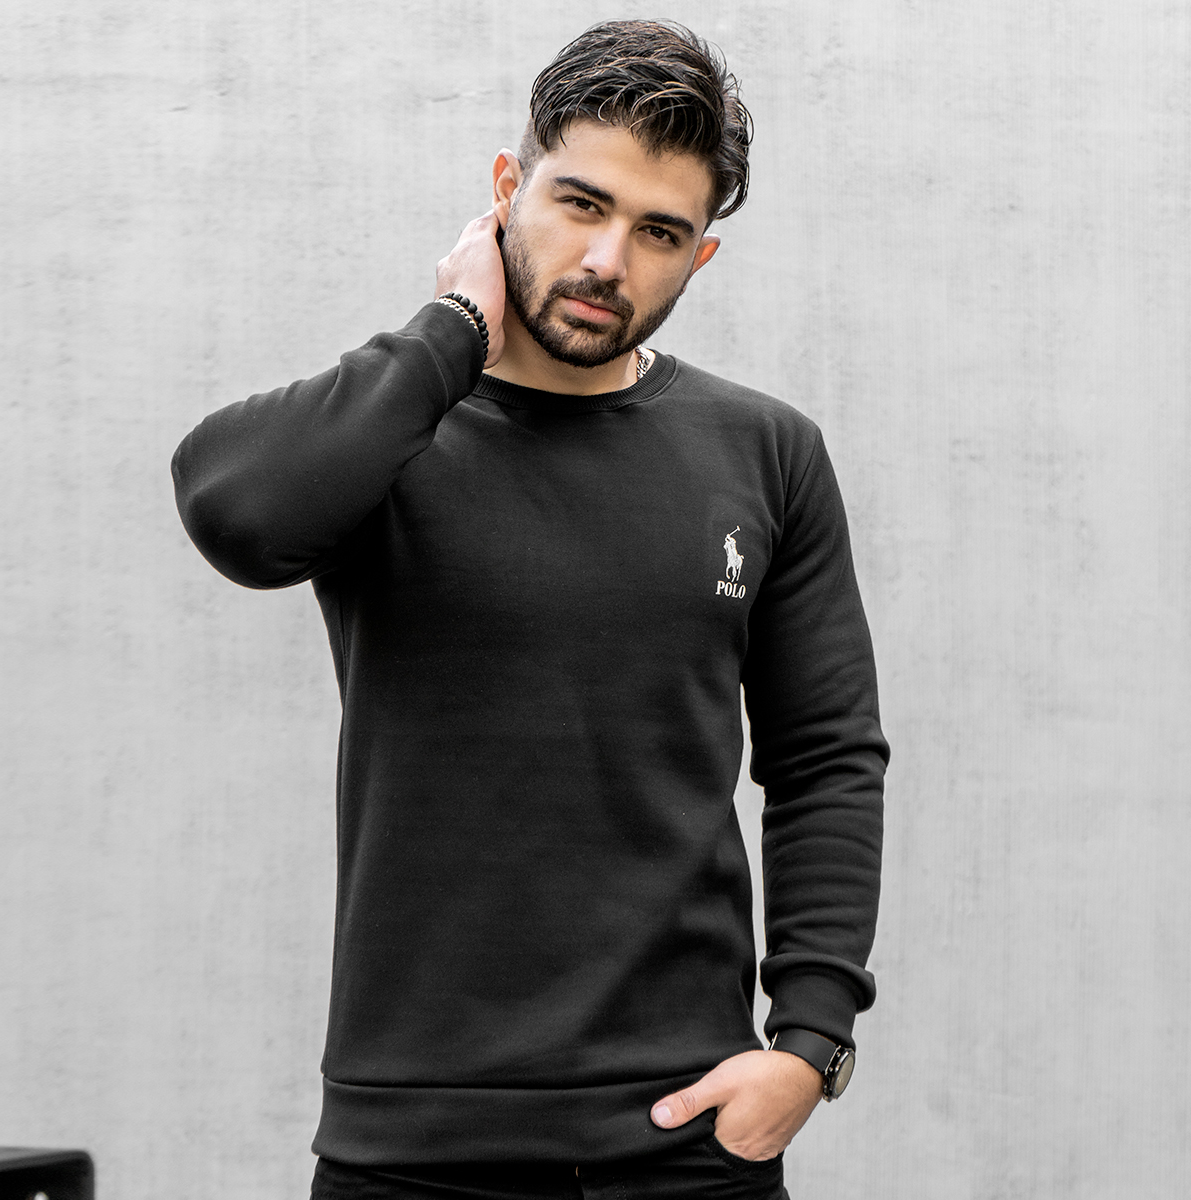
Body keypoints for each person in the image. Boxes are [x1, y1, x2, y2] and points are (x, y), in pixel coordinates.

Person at [172, 19, 888, 1200]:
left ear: (700, 256)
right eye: (579, 203)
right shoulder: (392, 431)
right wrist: (453, 332)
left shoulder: (766, 453)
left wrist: (811, 1044)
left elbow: (825, 758)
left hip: (687, 1140)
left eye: (659, 232)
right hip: (412, 1144)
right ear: (507, 189)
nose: (608, 260)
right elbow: (240, 517)